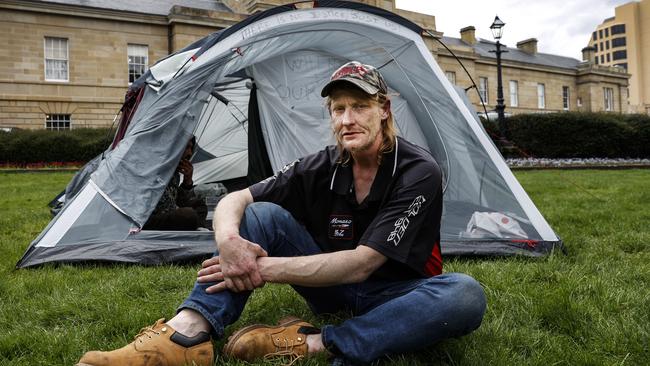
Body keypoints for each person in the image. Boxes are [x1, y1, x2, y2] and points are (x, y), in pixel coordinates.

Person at [76, 61, 486, 366]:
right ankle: (187, 335)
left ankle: (314, 342)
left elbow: (363, 264)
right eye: (337, 109)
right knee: (260, 217)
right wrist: (231, 246)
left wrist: (261, 268)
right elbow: (237, 200)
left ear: (384, 111)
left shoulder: (418, 170)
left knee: (464, 294)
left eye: (359, 106)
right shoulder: (323, 163)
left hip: (398, 296)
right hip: (333, 291)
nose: (347, 119)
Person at [142, 136, 207, 231]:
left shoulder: (174, 172)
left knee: (199, 204)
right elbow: (165, 206)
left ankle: (198, 229)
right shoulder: (157, 169)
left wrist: (187, 181)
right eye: (186, 147)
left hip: (168, 212)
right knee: (188, 215)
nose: (189, 153)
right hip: (149, 219)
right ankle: (193, 227)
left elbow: (180, 199)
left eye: (190, 148)